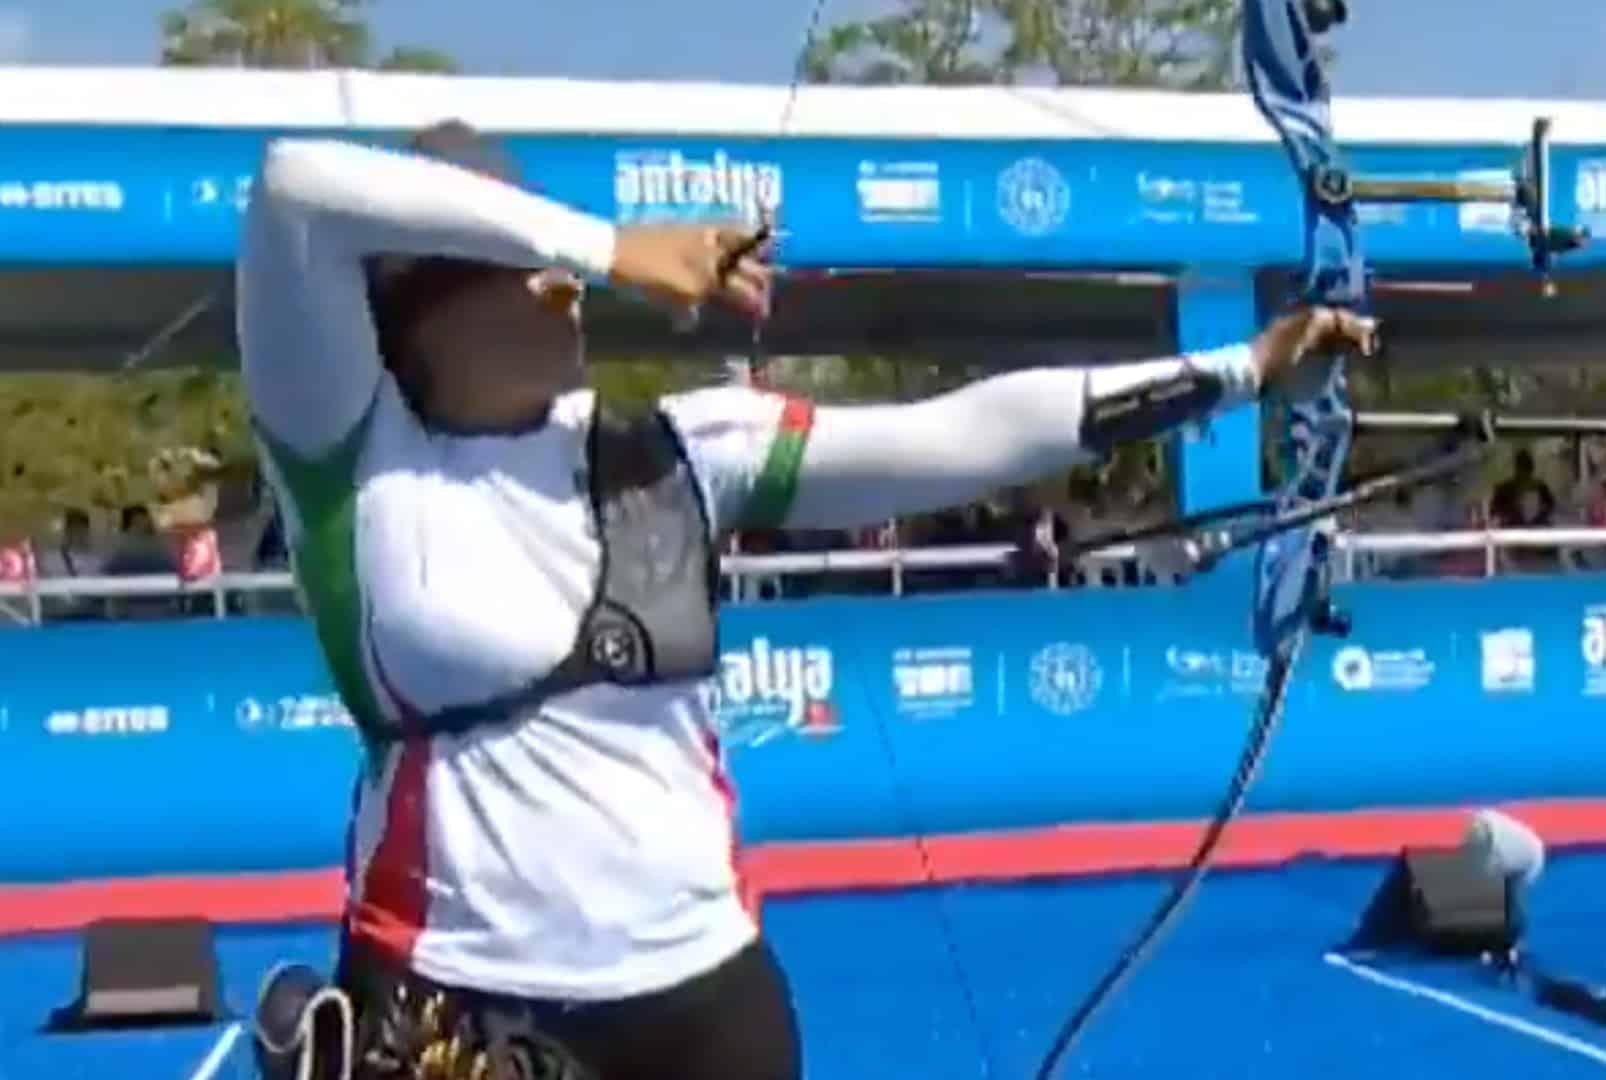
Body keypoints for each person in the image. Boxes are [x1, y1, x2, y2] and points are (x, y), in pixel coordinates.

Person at [237, 120, 1375, 1080]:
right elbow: (294, 185)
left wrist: (1244, 371)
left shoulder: (682, 450)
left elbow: (971, 432)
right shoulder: (348, 454)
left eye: (565, 261)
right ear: (421, 293)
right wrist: (616, 243)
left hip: (702, 1006)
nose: (565, 286)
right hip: (455, 1004)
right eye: (523, 257)